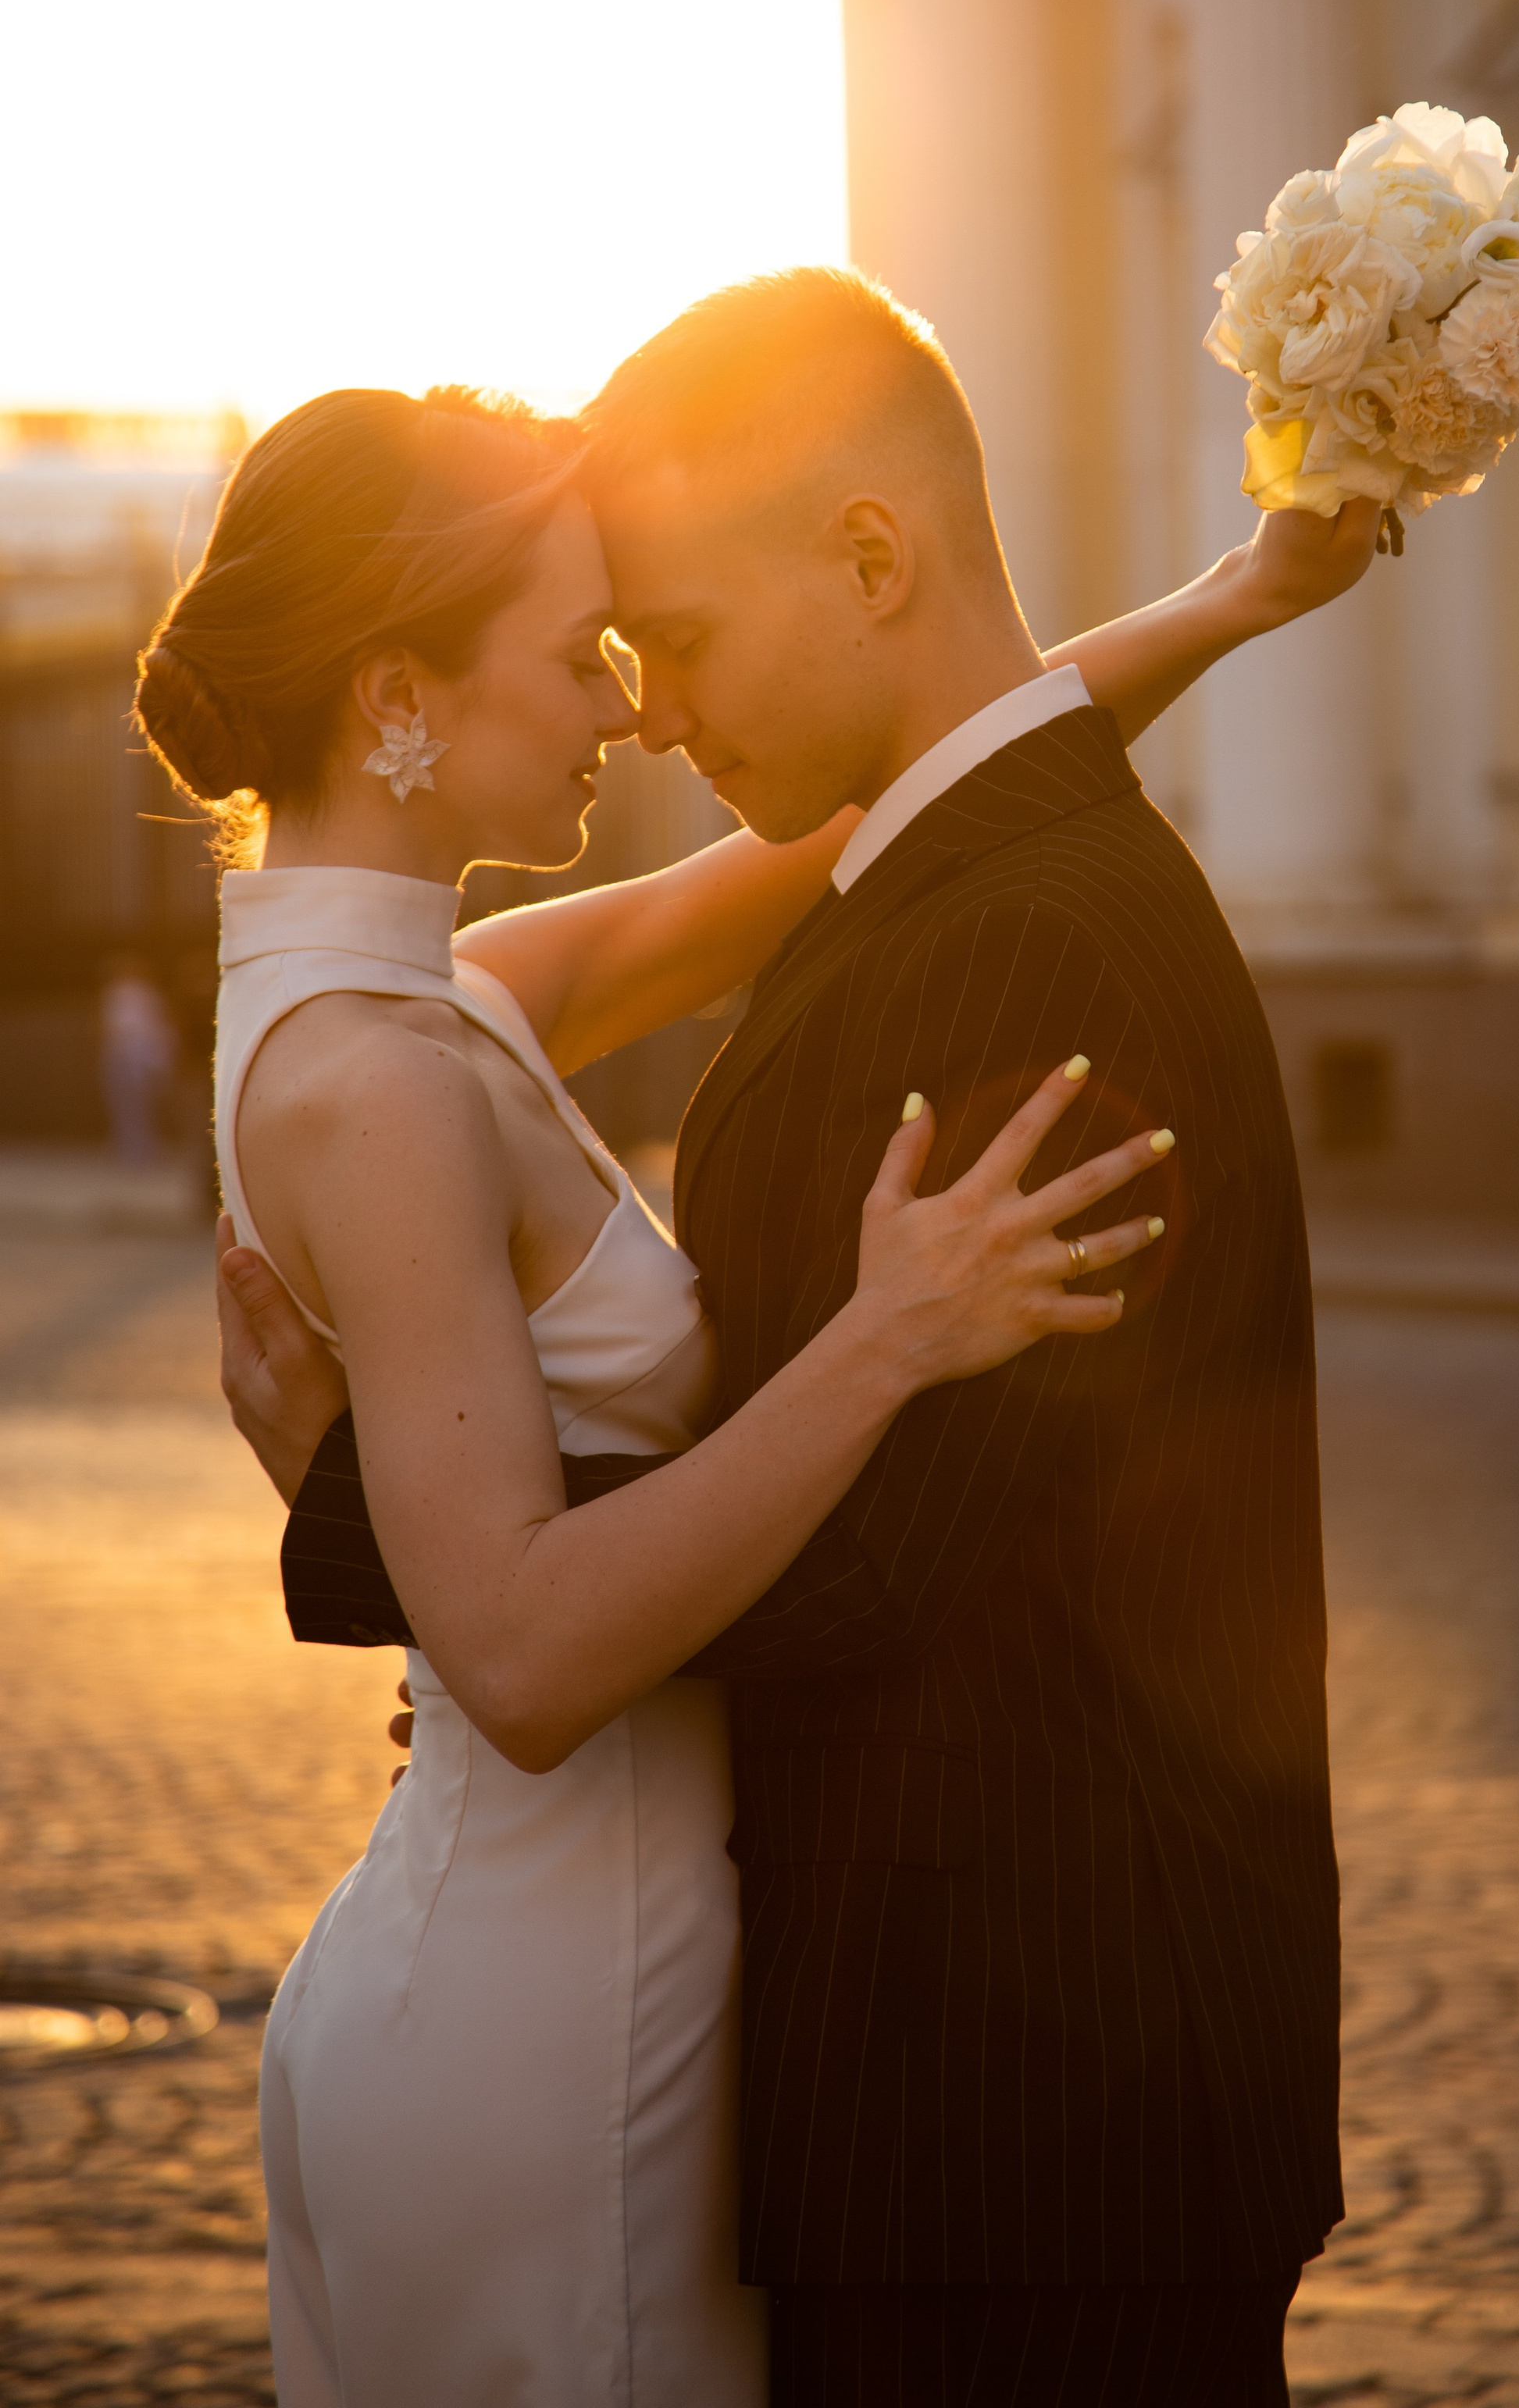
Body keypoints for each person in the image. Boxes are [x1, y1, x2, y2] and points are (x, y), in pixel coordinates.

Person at [181, 302, 1378, 2407]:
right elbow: (528, 1640)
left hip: (890, 2038)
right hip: (564, 2008)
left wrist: (1230, 598)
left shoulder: (430, 997)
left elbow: (884, 803)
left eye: (655, 640)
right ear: (398, 696)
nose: (630, 709)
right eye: (588, 648)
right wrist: (884, 1336)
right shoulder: (385, 1070)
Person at [98, 954, 180, 1168]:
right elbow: (109, 1028)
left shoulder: (149, 996)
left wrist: (161, 1058)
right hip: (122, 1054)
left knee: (143, 1104)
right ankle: (131, 1149)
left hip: (142, 1055)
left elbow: (160, 1029)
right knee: (126, 1103)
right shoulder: (116, 994)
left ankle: (144, 1149)